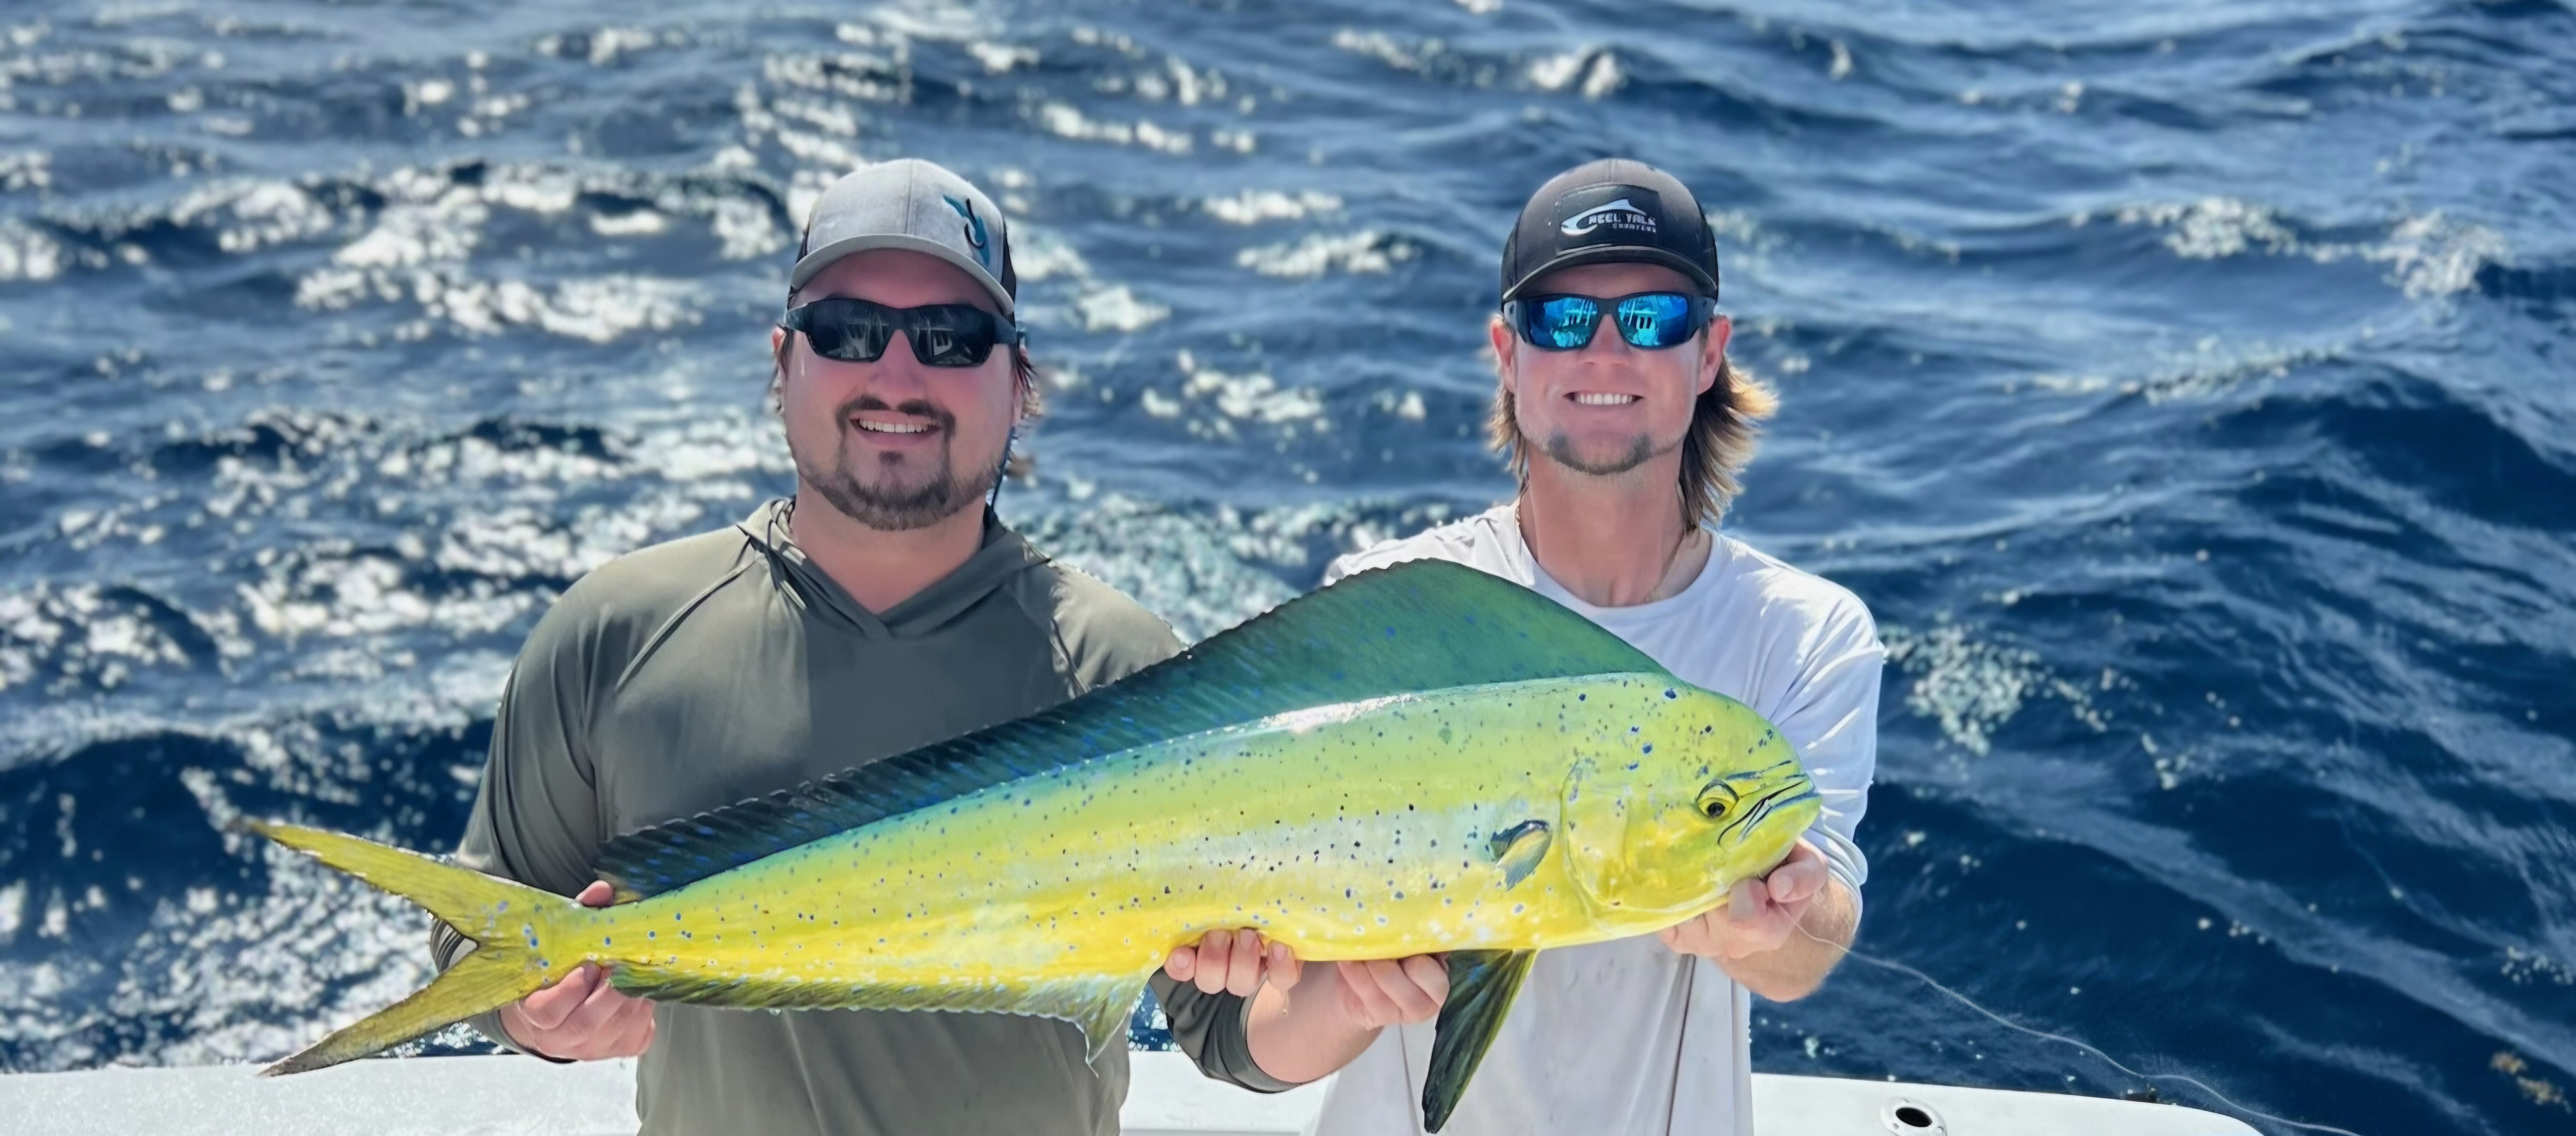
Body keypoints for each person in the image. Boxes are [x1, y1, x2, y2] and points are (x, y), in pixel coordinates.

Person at [428, 158, 1191, 1136]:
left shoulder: (1125, 671)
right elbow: (476, 929)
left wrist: (1347, 998)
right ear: (784, 359)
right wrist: (535, 1016)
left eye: (953, 338)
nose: (898, 375)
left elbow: (1229, 1029)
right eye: (850, 332)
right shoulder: (611, 633)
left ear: (1017, 380)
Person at [1156, 158, 1882, 1135]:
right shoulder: (1395, 604)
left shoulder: (1804, 632)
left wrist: (1771, 921)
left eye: (1653, 318)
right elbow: (1245, 1046)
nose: (1605, 353)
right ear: (1508, 353)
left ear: (1707, 354)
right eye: (1562, 321)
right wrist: (1349, 997)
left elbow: (1811, 941)